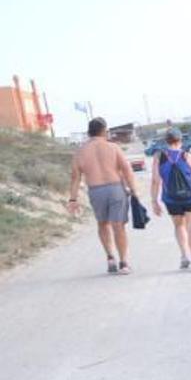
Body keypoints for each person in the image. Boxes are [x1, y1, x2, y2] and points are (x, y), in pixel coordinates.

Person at [67, 117, 141, 274]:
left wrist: (73, 199)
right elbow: (127, 170)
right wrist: (134, 190)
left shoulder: (80, 152)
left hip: (95, 190)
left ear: (89, 133)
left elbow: (75, 177)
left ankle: (110, 258)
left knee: (102, 224)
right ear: (104, 131)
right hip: (115, 189)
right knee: (118, 225)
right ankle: (124, 263)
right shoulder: (113, 147)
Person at [150, 128, 191, 271]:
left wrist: (155, 201)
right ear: (180, 140)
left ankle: (185, 257)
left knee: (179, 226)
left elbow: (155, 181)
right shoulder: (187, 156)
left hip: (171, 199)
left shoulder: (158, 157)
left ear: (166, 141)